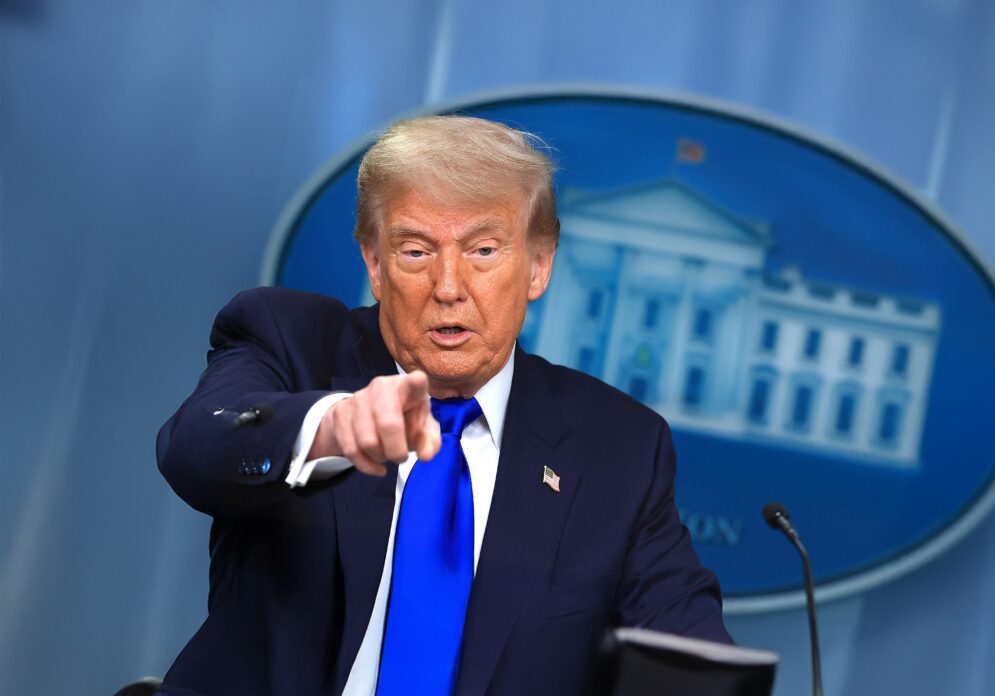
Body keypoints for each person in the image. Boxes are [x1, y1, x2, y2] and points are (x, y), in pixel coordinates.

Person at [157, 115, 731, 696]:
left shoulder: (620, 447)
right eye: (415, 251)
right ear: (374, 263)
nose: (449, 286)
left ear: (539, 265)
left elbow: (690, 655)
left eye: (483, 250)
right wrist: (329, 428)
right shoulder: (288, 341)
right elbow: (196, 447)